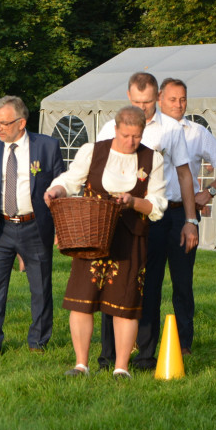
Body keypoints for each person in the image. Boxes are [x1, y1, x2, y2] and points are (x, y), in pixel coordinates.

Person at [45, 106, 167, 379]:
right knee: (82, 300)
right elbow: (71, 180)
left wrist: (133, 201)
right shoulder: (93, 151)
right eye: (126, 135)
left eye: (136, 136)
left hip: (130, 237)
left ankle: (121, 367)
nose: (131, 142)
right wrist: (56, 189)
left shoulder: (152, 158)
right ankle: (81, 364)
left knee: (126, 303)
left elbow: (157, 205)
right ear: (115, 130)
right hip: (90, 233)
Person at [94, 72, 198, 371]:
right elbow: (97, 168)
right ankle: (108, 356)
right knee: (113, 282)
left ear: (158, 97)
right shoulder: (109, 128)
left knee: (149, 285)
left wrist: (190, 220)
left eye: (149, 101)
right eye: (138, 101)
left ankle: (145, 356)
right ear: (129, 97)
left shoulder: (171, 129)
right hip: (119, 216)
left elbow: (184, 174)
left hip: (157, 215)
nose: (144, 107)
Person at [0, 96, 64, 355]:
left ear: (21, 122)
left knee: (41, 288)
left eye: (4, 123)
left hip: (35, 226)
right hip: (0, 227)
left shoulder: (47, 147)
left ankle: (38, 342)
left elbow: (61, 190)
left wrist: (61, 229)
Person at [154, 78, 216, 357]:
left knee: (182, 282)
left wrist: (210, 192)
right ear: (159, 99)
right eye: (172, 99)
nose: (179, 105)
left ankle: (183, 344)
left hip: (183, 215)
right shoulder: (145, 129)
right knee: (147, 281)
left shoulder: (196, 132)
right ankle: (145, 341)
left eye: (183, 99)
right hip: (150, 215)